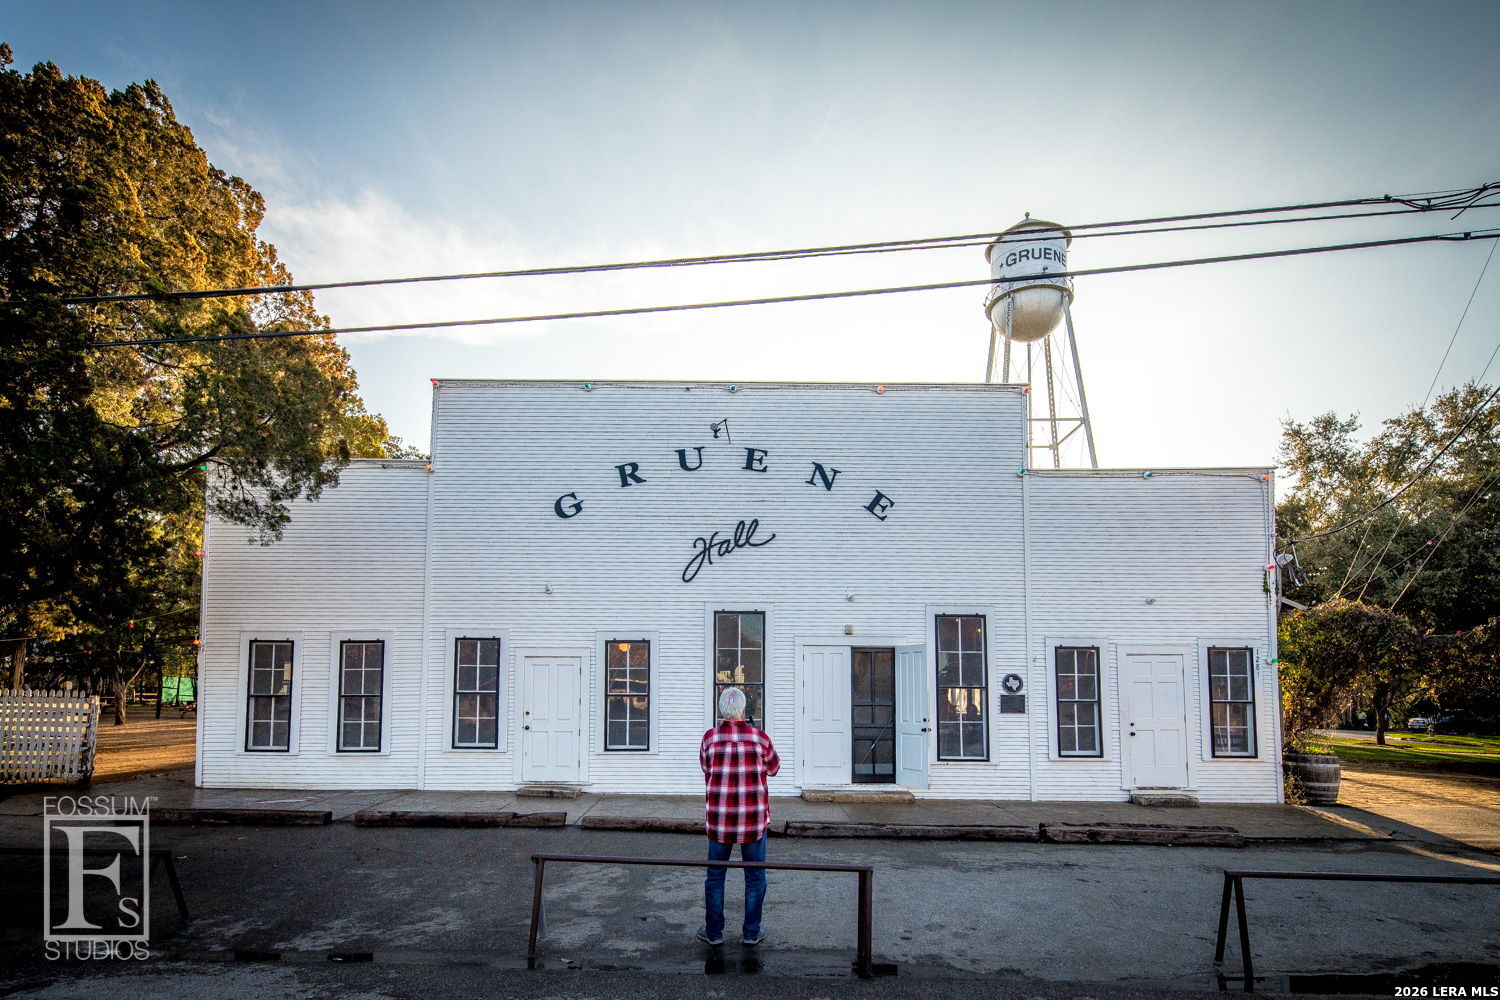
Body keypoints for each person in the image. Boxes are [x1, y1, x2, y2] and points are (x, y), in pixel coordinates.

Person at [698, 686, 780, 946]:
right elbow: (774, 768)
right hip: (752, 820)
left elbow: (705, 767)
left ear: (721, 710)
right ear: (743, 709)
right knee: (755, 877)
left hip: (719, 820)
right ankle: (751, 932)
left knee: (715, 877)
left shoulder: (710, 739)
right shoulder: (760, 739)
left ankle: (714, 933)